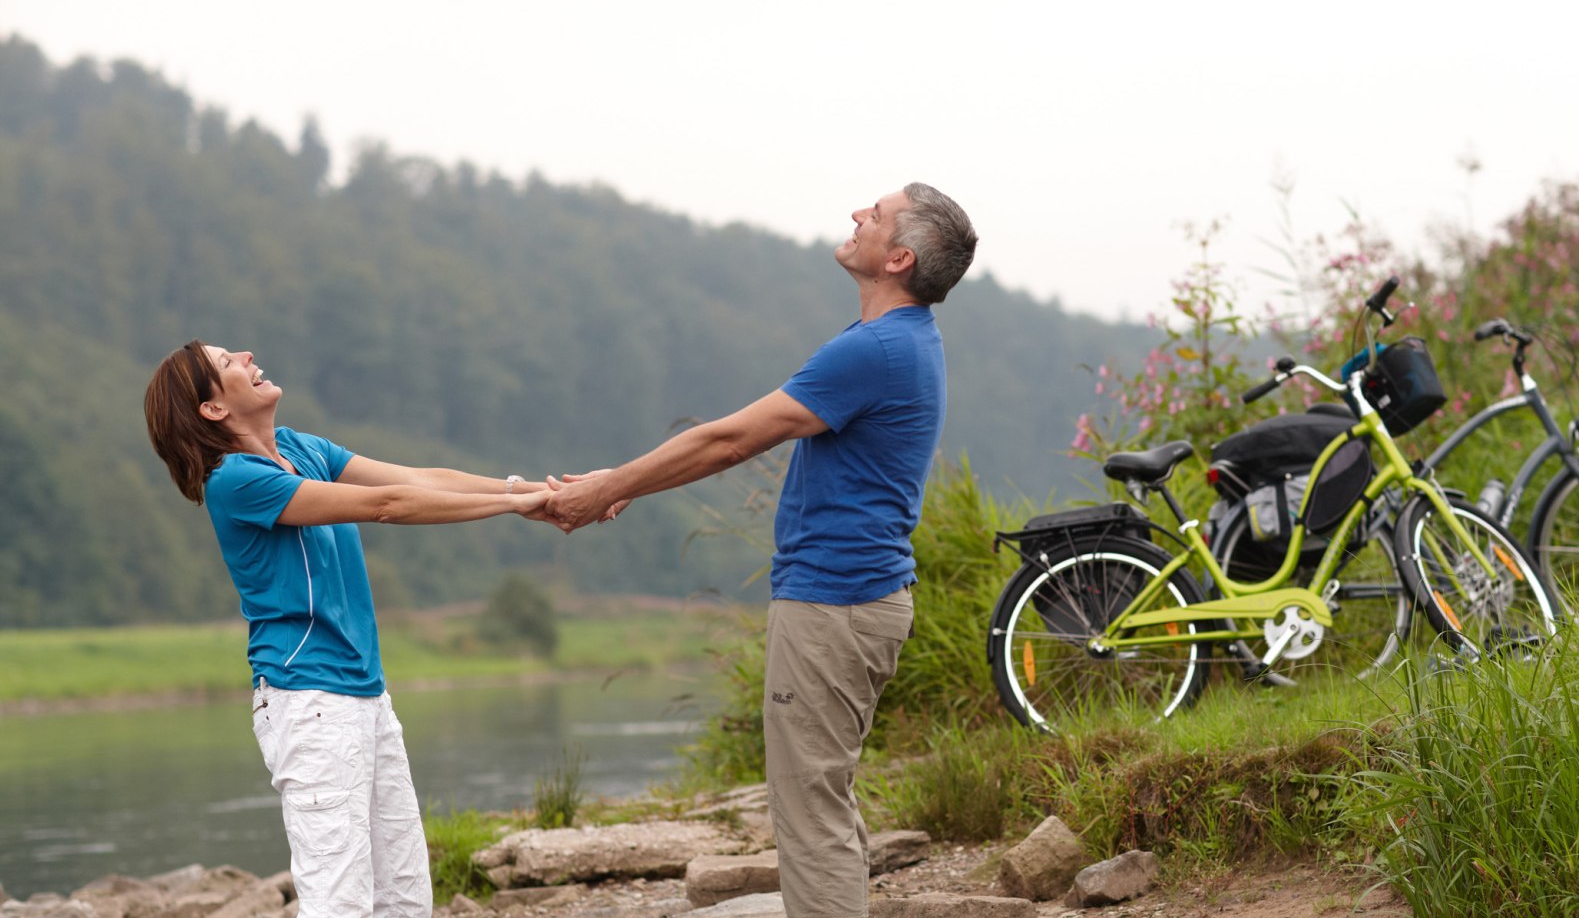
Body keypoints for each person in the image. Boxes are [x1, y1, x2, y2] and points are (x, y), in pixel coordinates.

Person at [546, 182, 977, 918]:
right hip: (853, 601)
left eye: (873, 215)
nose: (855, 215)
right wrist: (621, 482)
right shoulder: (898, 343)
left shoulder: (875, 349)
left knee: (809, 814)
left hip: (834, 605)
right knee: (822, 800)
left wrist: (607, 488)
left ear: (899, 257)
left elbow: (729, 439)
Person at [143, 340, 555, 918]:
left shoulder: (299, 448)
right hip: (308, 701)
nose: (246, 353)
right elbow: (387, 503)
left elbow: (419, 478)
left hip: (366, 694)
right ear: (212, 408)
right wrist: (521, 506)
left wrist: (530, 492)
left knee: (406, 895)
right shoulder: (235, 481)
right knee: (339, 901)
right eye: (226, 363)